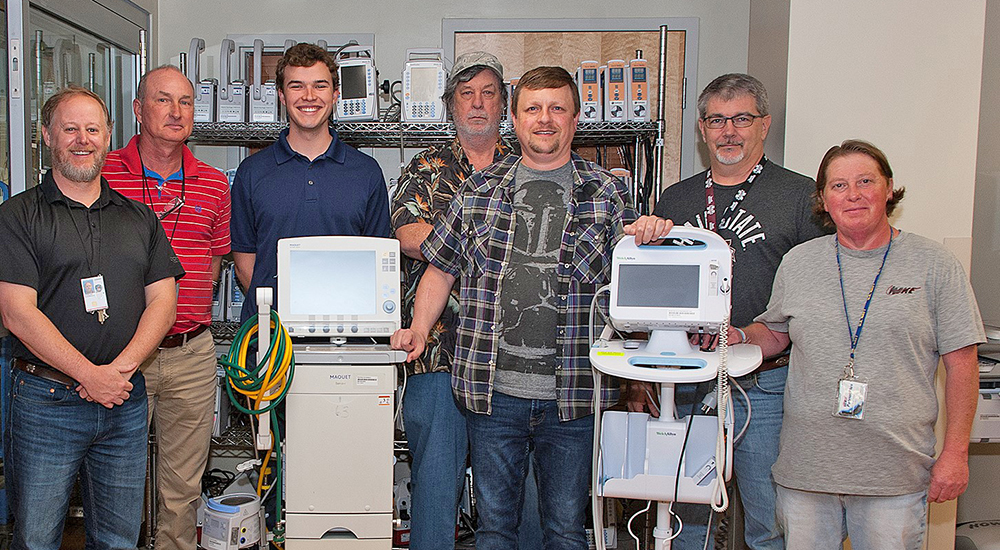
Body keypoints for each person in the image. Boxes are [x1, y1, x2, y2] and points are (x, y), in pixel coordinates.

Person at [392, 66, 657, 550]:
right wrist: (419, 328)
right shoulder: (480, 191)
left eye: (557, 108)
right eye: (533, 108)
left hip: (574, 395)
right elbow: (439, 269)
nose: (545, 119)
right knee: (495, 529)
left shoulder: (608, 193)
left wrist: (649, 234)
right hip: (494, 394)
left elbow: (633, 288)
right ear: (515, 119)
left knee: (563, 530)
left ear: (576, 119)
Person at [735, 139, 983, 548]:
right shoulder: (799, 261)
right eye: (839, 186)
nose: (853, 194)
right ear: (823, 200)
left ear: (889, 189)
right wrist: (740, 336)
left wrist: (955, 455)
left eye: (865, 181)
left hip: (894, 475)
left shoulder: (934, 264)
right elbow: (776, 333)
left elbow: (963, 364)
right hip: (807, 471)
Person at [627, 73, 828, 549]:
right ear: (701, 128)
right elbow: (650, 295)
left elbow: (818, 294)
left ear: (765, 125)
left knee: (770, 521)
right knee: (684, 520)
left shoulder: (801, 198)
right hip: (687, 380)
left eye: (741, 118)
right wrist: (638, 378)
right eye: (717, 120)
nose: (728, 131)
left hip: (767, 383)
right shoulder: (676, 200)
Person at [0, 86, 185, 550]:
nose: (82, 139)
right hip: (47, 403)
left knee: (121, 538)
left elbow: (164, 302)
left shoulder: (139, 218)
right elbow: (17, 313)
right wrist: (89, 375)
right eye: (69, 129)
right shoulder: (18, 216)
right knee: (37, 538)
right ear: (47, 136)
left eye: (92, 129)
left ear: (108, 137)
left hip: (124, 402)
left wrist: (117, 374)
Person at [391, 51, 521, 549]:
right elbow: (405, 232)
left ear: (504, 106)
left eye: (489, 93)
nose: (477, 104)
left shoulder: (526, 169)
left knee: (509, 491)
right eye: (466, 94)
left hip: (510, 360)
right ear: (451, 106)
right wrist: (479, 244)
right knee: (436, 484)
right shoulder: (427, 167)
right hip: (438, 354)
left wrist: (451, 243)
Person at [103, 64, 231, 550]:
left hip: (191, 353)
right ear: (138, 109)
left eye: (186, 102)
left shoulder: (215, 183)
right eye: (163, 100)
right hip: (117, 357)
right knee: (116, 482)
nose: (176, 112)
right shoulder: (105, 173)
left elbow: (215, 260)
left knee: (182, 490)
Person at [231, 43, 390, 320]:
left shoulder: (366, 172)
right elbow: (246, 265)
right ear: (281, 95)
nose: (309, 96)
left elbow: (378, 262)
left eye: (320, 86)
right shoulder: (252, 172)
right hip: (271, 338)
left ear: (335, 94)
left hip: (347, 337)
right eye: (296, 86)